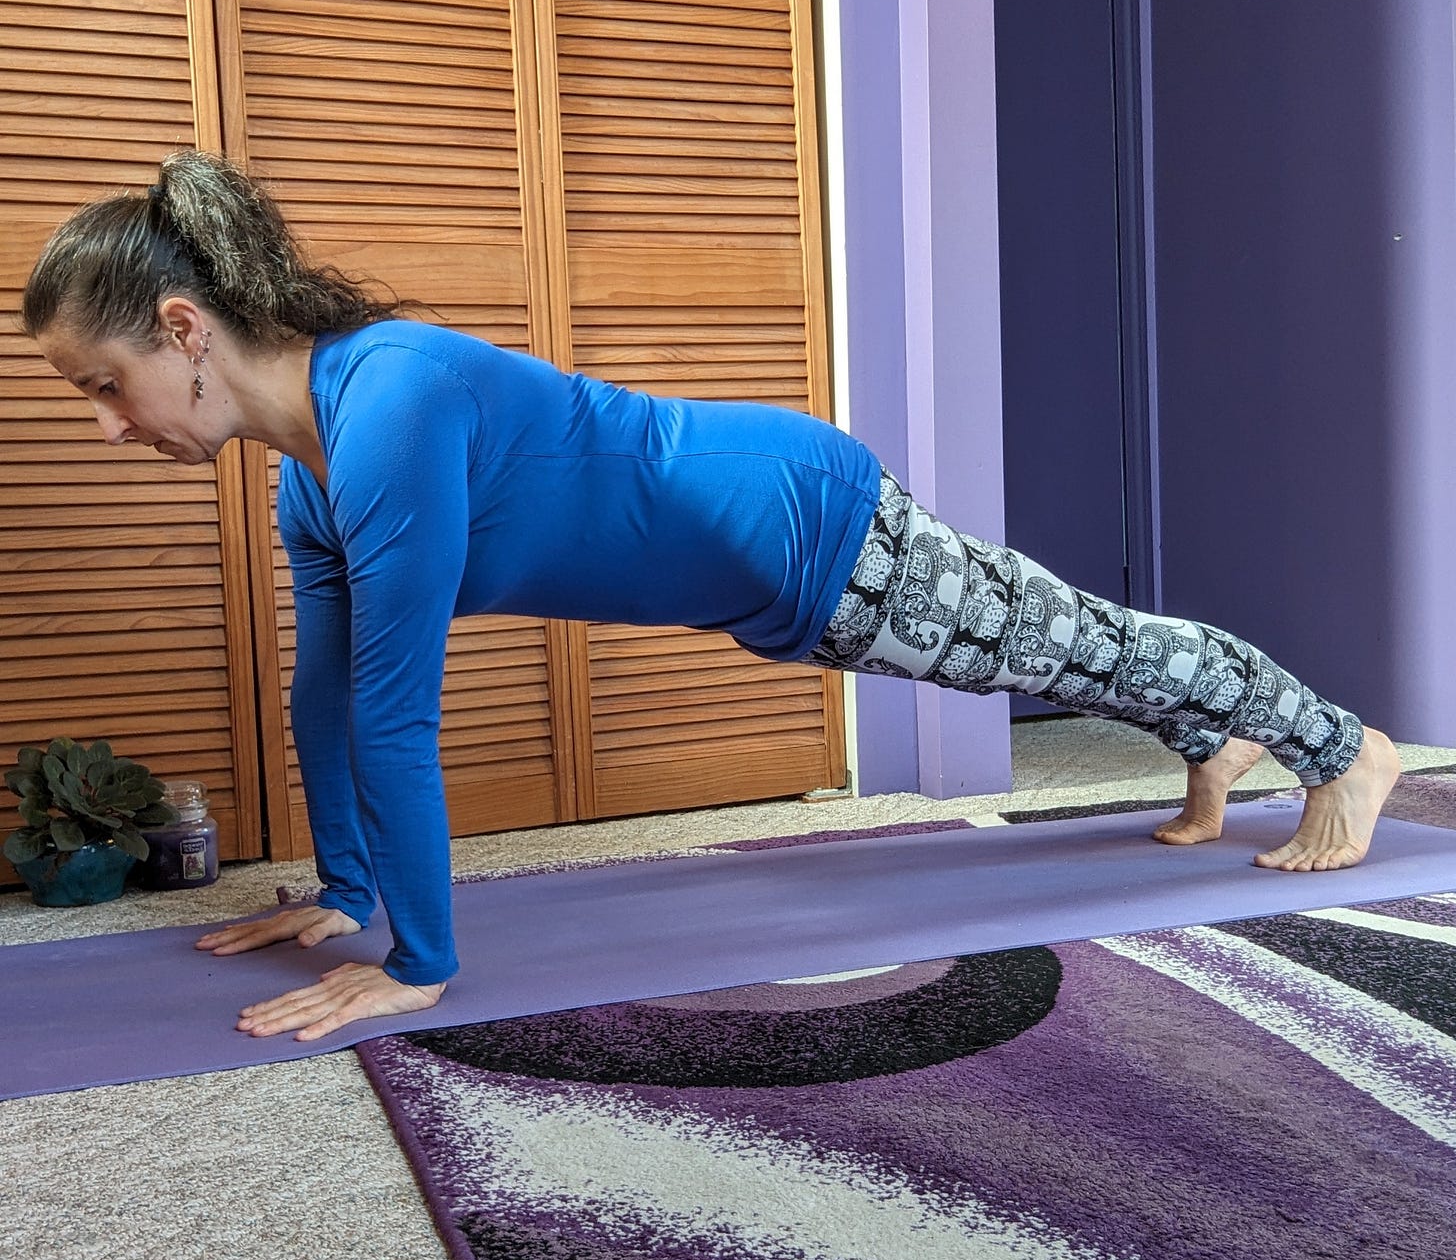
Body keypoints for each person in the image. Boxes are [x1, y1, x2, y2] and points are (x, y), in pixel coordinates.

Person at [20, 150, 1402, 1042]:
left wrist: (420, 961)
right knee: (1037, 652)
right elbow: (319, 693)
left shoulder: (392, 407)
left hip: (808, 525)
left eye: (103, 386)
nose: (109, 423)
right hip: (770, 574)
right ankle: (1211, 744)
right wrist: (343, 890)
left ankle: (1344, 748)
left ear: (185, 332)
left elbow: (393, 717)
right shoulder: (311, 474)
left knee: (1072, 641)